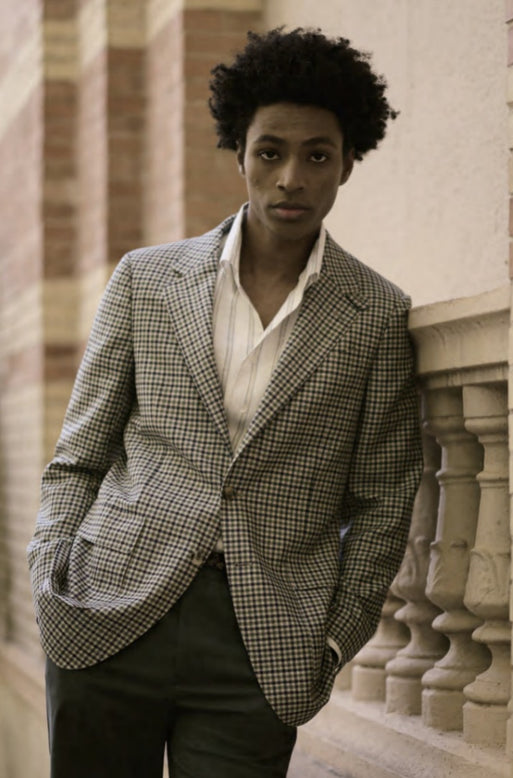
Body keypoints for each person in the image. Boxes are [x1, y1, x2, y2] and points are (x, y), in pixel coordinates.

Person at [28, 27, 423, 778]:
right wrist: (53, 572)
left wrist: (333, 638)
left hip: (261, 641)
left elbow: (381, 498)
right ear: (239, 153)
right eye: (270, 152)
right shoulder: (146, 280)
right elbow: (78, 453)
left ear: (346, 162)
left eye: (317, 155)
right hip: (108, 612)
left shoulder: (373, 313)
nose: (291, 179)